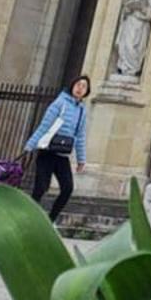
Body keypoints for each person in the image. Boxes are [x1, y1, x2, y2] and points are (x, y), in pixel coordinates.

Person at [25, 76, 90, 221]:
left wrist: (81, 159)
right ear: (72, 86)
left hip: (62, 155)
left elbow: (80, 136)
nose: (80, 88)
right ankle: (29, 217)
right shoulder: (60, 103)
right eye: (78, 84)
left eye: (84, 86)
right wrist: (30, 146)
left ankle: (51, 219)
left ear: (86, 92)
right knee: (41, 187)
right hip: (47, 152)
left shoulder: (82, 111)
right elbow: (45, 125)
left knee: (67, 188)